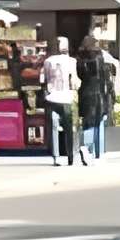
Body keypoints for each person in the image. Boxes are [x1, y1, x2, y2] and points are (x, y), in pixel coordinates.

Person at [39, 35, 82, 166]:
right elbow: (74, 81)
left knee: (52, 128)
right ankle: (70, 156)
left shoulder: (48, 61)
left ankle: (56, 156)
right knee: (69, 128)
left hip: (51, 98)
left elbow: (44, 80)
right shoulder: (72, 61)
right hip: (66, 98)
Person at [79, 40, 118, 160]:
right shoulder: (103, 65)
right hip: (100, 96)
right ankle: (97, 151)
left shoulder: (81, 62)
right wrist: (112, 95)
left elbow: (80, 77)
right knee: (99, 122)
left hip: (86, 94)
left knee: (88, 122)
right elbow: (108, 82)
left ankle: (86, 146)